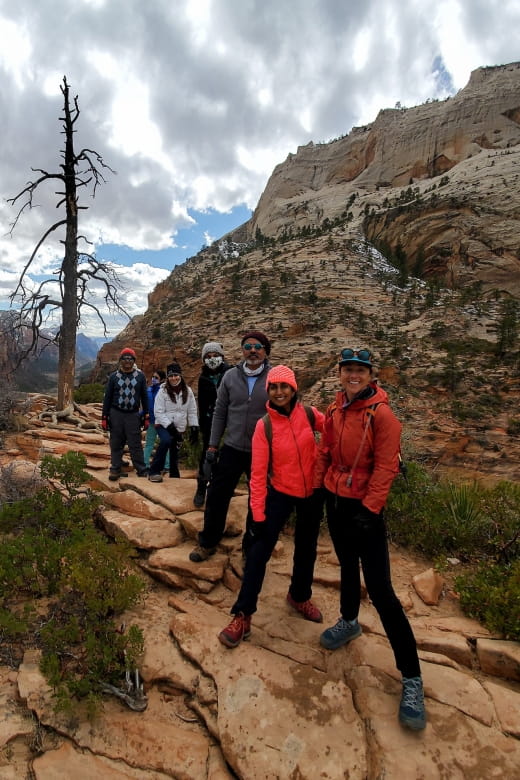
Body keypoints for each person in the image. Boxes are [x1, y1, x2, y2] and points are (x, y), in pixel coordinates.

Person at [315, 347, 426, 731]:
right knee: (346, 567)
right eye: (348, 370)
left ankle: (411, 678)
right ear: (341, 373)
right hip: (337, 501)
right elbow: (326, 450)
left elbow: (387, 465)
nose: (353, 376)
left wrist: (372, 508)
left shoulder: (383, 414)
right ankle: (349, 621)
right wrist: (318, 488)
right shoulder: (334, 410)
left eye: (360, 370)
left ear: (369, 375)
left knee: (381, 590)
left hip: (365, 509)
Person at [218, 365, 326, 647]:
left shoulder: (309, 414)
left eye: (284, 387)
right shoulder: (264, 426)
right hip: (279, 493)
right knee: (258, 553)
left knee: (307, 548)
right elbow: (256, 475)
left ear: (293, 389)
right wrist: (258, 513)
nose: (280, 392)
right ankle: (243, 615)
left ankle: (299, 596)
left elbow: (335, 430)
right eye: (274, 387)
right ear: (269, 391)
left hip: (311, 493)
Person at [189, 330, 272, 562]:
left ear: (265, 351)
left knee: (257, 501)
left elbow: (284, 415)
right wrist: (212, 446)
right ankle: (208, 542)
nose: (253, 351)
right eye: (248, 347)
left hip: (261, 451)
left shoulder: (274, 377)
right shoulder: (230, 377)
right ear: (242, 351)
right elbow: (220, 413)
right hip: (233, 447)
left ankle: (250, 549)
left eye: (258, 347)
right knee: (216, 495)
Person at [102, 347, 149, 480]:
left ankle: (141, 468)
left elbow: (144, 397)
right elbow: (108, 398)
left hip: (133, 415)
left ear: (134, 360)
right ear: (120, 360)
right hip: (116, 413)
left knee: (135, 443)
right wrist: (104, 417)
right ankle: (115, 469)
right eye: (125, 358)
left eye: (130, 358)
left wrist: (146, 415)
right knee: (116, 442)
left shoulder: (140, 376)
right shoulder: (113, 377)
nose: (127, 361)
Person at [193, 342, 231, 507]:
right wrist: (201, 424)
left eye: (215, 355)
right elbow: (201, 402)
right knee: (207, 455)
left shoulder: (230, 373)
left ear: (221, 356)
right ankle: (201, 487)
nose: (212, 359)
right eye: (208, 357)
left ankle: (219, 489)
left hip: (231, 420)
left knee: (228, 455)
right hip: (210, 421)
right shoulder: (203, 378)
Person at [148, 362, 199, 482]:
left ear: (180, 375)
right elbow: (158, 412)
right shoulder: (163, 391)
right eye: (170, 376)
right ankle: (154, 471)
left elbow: (192, 410)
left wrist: (194, 427)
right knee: (166, 441)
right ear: (167, 377)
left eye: (176, 375)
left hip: (179, 426)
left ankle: (174, 474)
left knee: (175, 450)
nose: (173, 378)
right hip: (162, 424)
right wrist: (170, 427)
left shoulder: (188, 391)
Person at [143, 369, 170, 472]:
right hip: (152, 421)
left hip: (162, 422)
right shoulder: (149, 390)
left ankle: (167, 466)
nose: (153, 379)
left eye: (156, 378)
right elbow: (147, 406)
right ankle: (145, 465)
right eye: (153, 377)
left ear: (162, 379)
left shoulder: (164, 391)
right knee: (149, 443)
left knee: (165, 444)